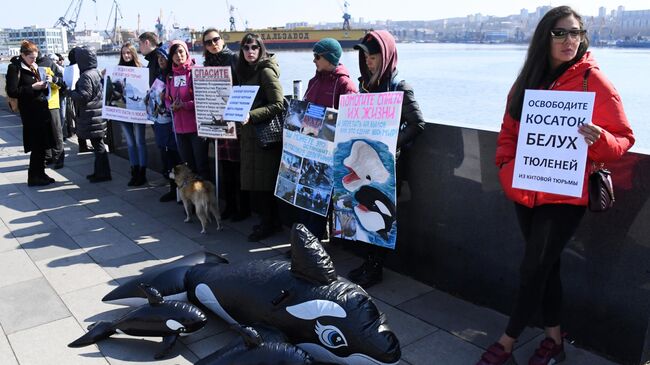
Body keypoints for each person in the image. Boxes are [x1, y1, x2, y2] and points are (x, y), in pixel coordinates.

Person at [476, 7, 635, 365]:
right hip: (526, 189)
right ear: (544, 37)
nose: (569, 41)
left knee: (533, 267)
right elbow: (508, 134)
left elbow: (623, 138)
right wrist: (506, 167)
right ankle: (554, 341)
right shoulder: (528, 80)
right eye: (560, 33)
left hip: (566, 193)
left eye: (575, 33)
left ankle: (506, 342)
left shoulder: (593, 80)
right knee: (547, 267)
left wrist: (600, 139)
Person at [347, 30, 426, 288]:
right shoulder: (366, 85)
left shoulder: (399, 86)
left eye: (373, 56)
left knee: (382, 215)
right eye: (365, 56)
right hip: (365, 163)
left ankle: (376, 267)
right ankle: (369, 261)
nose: (368, 61)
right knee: (367, 209)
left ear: (387, 55)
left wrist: (390, 144)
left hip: (388, 166)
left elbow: (417, 124)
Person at [297, 38, 358, 239]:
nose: (314, 60)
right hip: (312, 149)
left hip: (332, 152)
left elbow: (351, 120)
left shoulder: (345, 84)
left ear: (330, 58)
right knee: (310, 198)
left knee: (326, 197)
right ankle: (308, 241)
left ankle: (316, 242)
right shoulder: (313, 81)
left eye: (317, 56)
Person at [236, 33, 285, 241]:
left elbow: (278, 104)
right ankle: (267, 222)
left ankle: (269, 224)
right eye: (246, 48)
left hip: (264, 136)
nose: (250, 51)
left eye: (254, 47)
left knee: (265, 184)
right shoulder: (246, 71)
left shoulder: (265, 71)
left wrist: (251, 115)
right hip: (251, 136)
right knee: (258, 183)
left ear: (261, 49)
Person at [202, 27, 250, 221]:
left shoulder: (234, 58)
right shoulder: (207, 63)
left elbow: (243, 86)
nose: (213, 44)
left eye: (215, 40)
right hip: (218, 120)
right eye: (208, 42)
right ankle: (230, 206)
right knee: (225, 167)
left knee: (238, 167)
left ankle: (243, 209)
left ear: (222, 40)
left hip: (235, 120)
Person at [5, 40, 56, 186]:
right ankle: (34, 176)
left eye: (35, 57)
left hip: (41, 110)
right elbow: (12, 91)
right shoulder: (14, 68)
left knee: (43, 144)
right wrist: (33, 87)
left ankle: (40, 173)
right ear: (23, 55)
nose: (34, 60)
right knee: (37, 145)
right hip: (30, 112)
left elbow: (41, 88)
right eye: (31, 57)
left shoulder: (33, 66)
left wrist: (45, 85)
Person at [165, 40, 210, 180]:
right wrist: (170, 106)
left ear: (186, 52)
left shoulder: (197, 71)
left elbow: (204, 99)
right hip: (179, 129)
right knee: (188, 166)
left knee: (201, 165)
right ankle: (192, 197)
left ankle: (206, 197)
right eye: (174, 53)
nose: (178, 55)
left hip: (197, 128)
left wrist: (185, 105)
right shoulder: (170, 76)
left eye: (181, 51)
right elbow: (167, 98)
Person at [70, 46, 112, 183]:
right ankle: (99, 172)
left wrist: (70, 92)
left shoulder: (86, 76)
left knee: (98, 146)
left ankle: (103, 174)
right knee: (98, 145)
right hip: (98, 113)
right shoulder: (96, 72)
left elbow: (84, 96)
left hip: (92, 115)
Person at [146, 42, 182, 202]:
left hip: (172, 123)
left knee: (176, 157)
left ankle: (179, 192)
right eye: (159, 57)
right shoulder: (160, 75)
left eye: (164, 57)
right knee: (166, 155)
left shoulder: (173, 75)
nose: (161, 60)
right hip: (160, 122)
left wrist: (166, 97)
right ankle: (172, 188)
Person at [115, 43, 148, 186]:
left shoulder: (141, 70)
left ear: (133, 53)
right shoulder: (117, 70)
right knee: (130, 142)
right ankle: (134, 170)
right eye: (123, 53)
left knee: (140, 141)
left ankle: (142, 172)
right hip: (123, 110)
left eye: (129, 52)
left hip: (137, 110)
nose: (126, 55)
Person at [37, 52, 66, 169]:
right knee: (46, 131)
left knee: (56, 132)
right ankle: (48, 156)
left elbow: (61, 83)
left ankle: (59, 157)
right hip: (39, 104)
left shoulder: (49, 64)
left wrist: (52, 79)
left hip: (52, 103)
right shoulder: (30, 66)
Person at [67, 47, 92, 153]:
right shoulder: (79, 68)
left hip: (72, 97)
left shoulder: (68, 67)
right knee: (83, 121)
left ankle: (82, 144)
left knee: (78, 121)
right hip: (79, 98)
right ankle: (83, 144)